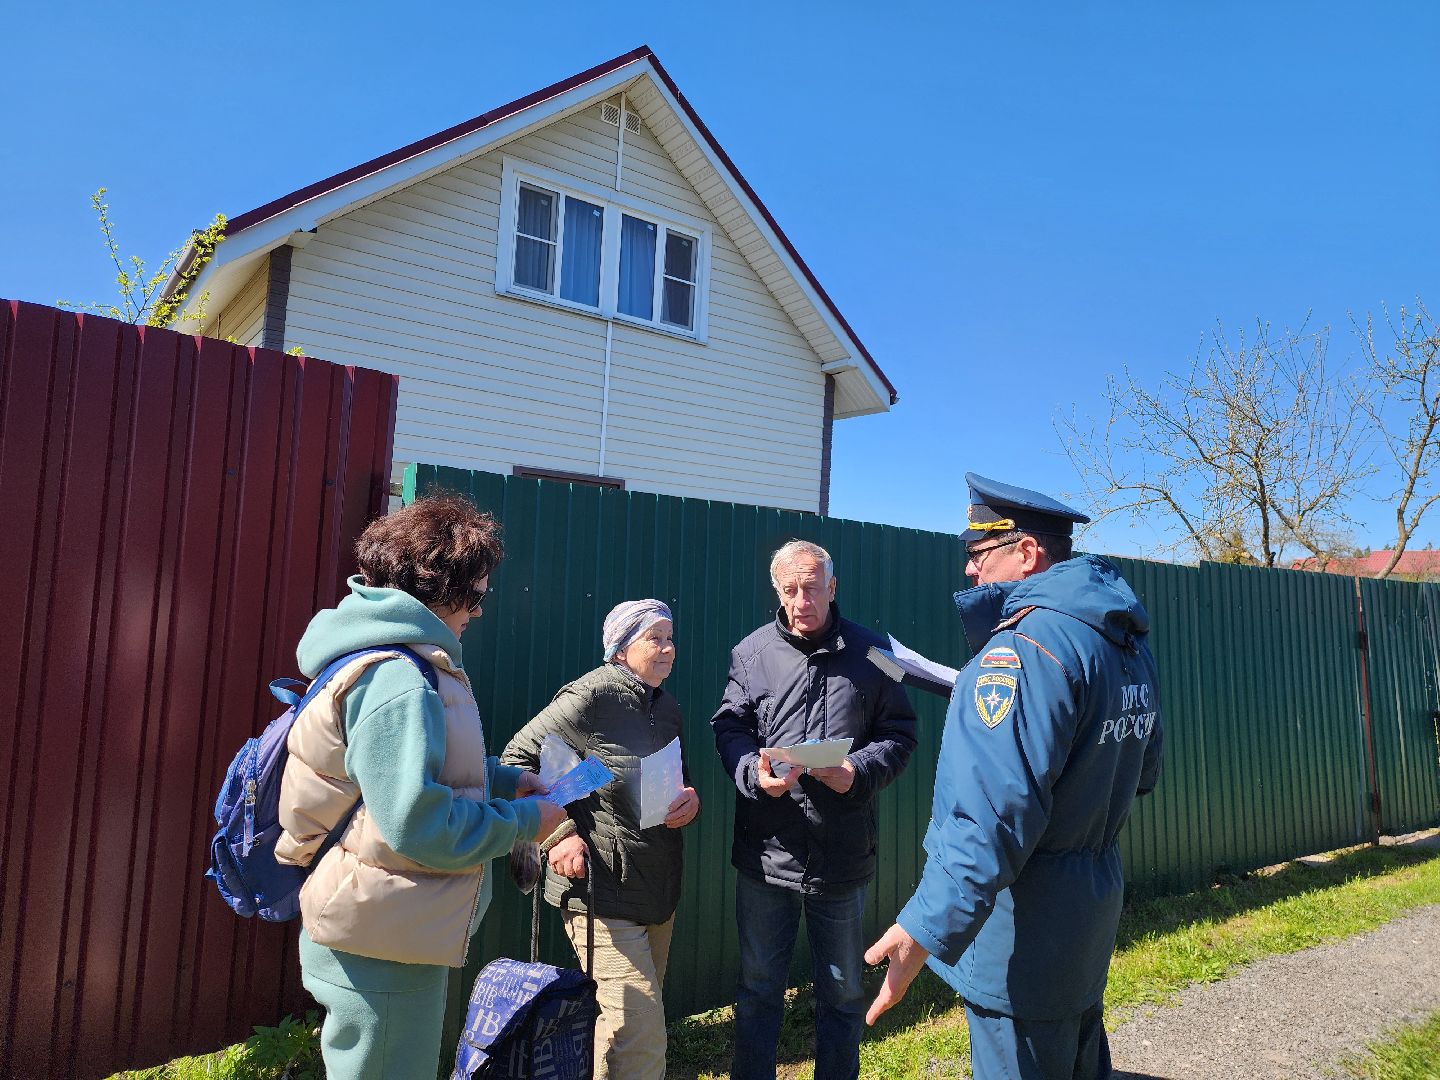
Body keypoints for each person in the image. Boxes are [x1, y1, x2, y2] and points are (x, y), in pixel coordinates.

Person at [865, 474, 1164, 1080]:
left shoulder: (1020, 653)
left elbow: (990, 821)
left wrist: (923, 927)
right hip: (1087, 914)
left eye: (978, 555)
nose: (970, 573)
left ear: (1027, 553)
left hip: (1024, 932)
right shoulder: (1121, 640)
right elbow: (1142, 770)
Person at [274, 494, 567, 1080]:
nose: (479, 612)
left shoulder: (388, 659)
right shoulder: (400, 679)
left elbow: (399, 773)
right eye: (476, 595)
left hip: (381, 924)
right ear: (440, 585)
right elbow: (418, 825)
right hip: (381, 941)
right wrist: (527, 824)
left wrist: (504, 780)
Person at [711, 540, 918, 1080]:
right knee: (758, 990)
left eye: (811, 587)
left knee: (844, 992)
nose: (801, 600)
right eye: (789, 589)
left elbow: (901, 733)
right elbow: (729, 727)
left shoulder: (877, 654)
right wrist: (750, 773)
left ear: (833, 587)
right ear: (776, 591)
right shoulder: (749, 653)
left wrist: (859, 772)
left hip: (841, 852)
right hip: (766, 855)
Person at [501, 599, 700, 1080]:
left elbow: (677, 778)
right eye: (655, 638)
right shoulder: (591, 696)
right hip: (599, 893)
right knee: (640, 1030)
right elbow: (514, 762)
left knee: (621, 1026)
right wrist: (558, 835)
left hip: (655, 888)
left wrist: (689, 800)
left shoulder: (666, 707)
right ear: (621, 648)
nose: (669, 648)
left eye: (670, 637)